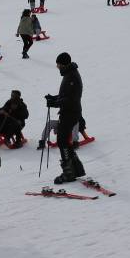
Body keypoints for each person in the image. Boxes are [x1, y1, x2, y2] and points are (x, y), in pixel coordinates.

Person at [45, 52, 85, 184]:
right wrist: (54, 98)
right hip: (70, 112)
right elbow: (66, 95)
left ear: (63, 64)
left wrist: (55, 103)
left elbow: (70, 99)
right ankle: (77, 169)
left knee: (62, 140)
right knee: (65, 141)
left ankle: (69, 173)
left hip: (70, 113)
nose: (57, 67)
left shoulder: (71, 76)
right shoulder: (70, 74)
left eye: (58, 65)